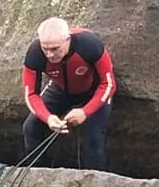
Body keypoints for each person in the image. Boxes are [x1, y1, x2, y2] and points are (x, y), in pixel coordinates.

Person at [21, 17, 116, 170]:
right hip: (60, 90)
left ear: (67, 39)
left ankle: (94, 181)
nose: (50, 55)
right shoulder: (35, 53)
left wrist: (85, 112)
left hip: (94, 89)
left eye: (55, 49)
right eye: (46, 49)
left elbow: (109, 84)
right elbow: (30, 94)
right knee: (31, 127)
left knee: (93, 135)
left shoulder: (89, 44)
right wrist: (48, 117)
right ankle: (37, 174)